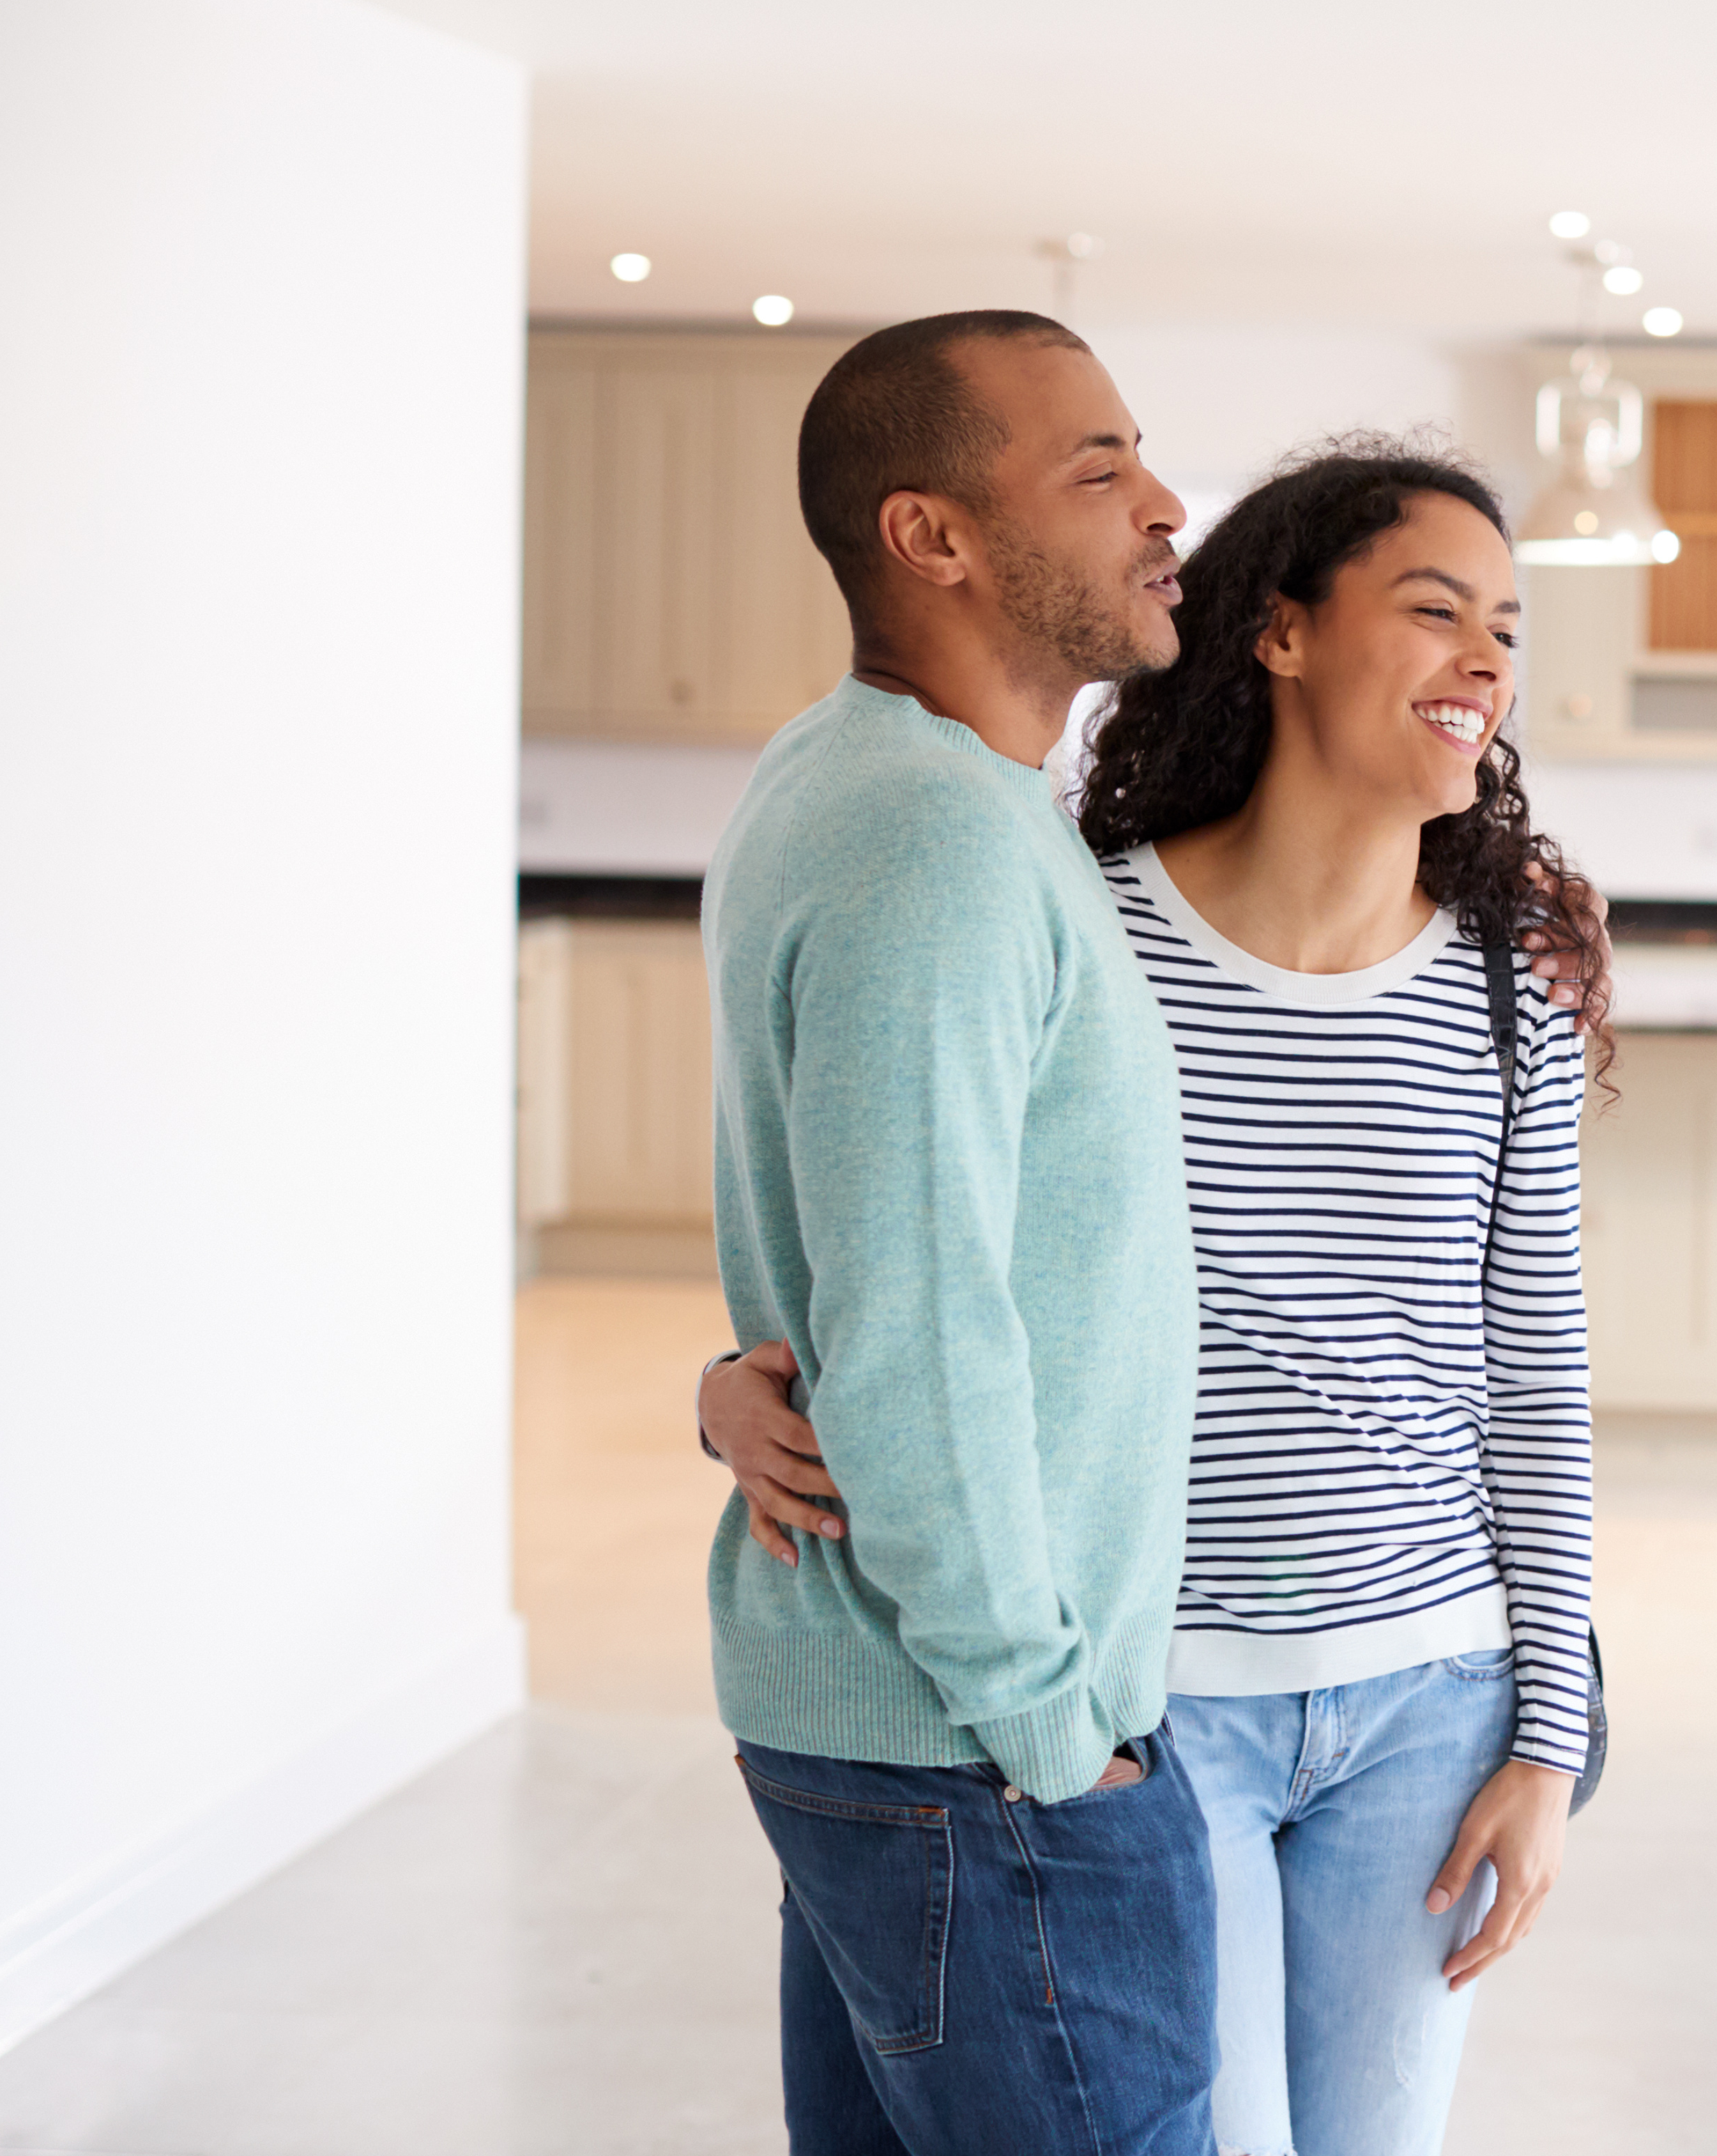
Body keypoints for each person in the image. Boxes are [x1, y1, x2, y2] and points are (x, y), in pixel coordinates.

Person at [703, 440, 1604, 2156]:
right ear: (1277, 630)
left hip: (1429, 1689)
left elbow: (1538, 1376)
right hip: (1151, 1695)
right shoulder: (1081, 926)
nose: (1488, 661)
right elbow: (910, 1238)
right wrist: (724, 1377)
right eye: (1436, 611)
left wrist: (1547, 1742)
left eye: (1507, 626)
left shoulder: (1511, 991)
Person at [703, 309, 1218, 2156]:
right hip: (975, 1750)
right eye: (1098, 470)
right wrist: (1053, 1732)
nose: (1164, 505)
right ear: (933, 535)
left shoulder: (868, 783)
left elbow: (849, 1240)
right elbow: (918, 1326)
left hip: (905, 1737)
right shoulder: (935, 839)